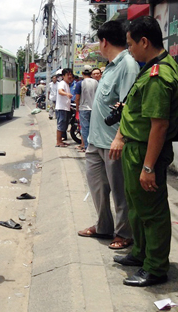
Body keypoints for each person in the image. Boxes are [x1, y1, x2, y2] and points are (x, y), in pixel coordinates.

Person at [110, 16, 178, 287]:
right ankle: (140, 253)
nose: (129, 50)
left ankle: (156, 267)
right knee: (138, 207)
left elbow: (158, 126)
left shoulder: (158, 75)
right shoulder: (150, 67)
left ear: (145, 41)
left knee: (152, 211)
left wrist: (149, 167)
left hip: (145, 152)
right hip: (135, 149)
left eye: (130, 45)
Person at [77, 20, 140, 251]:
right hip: (96, 141)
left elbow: (129, 106)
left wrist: (120, 138)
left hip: (114, 142)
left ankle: (124, 233)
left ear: (104, 42)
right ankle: (103, 226)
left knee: (120, 191)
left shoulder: (128, 66)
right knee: (98, 188)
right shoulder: (111, 66)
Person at [75, 67, 98, 152]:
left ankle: (87, 147)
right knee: (93, 128)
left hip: (84, 108)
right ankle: (93, 147)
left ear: (82, 73)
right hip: (94, 108)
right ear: (91, 73)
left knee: (85, 128)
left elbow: (77, 97)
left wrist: (77, 108)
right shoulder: (96, 82)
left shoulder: (80, 83)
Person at [55, 68, 73, 147]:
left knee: (64, 126)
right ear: (63, 76)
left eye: (70, 75)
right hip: (61, 108)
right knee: (61, 125)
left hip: (66, 108)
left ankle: (61, 141)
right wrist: (66, 94)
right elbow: (60, 91)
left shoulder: (67, 84)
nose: (69, 76)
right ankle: (58, 142)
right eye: (67, 75)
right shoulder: (62, 83)